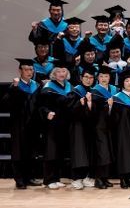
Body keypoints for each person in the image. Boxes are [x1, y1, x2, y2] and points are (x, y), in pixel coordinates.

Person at [5, 59, 42, 189]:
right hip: (18, 124)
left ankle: (29, 177)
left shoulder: (37, 86)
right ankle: (19, 179)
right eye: (26, 69)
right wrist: (15, 88)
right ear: (20, 70)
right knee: (18, 152)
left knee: (31, 152)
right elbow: (7, 103)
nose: (29, 72)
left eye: (31, 69)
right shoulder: (15, 86)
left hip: (33, 124)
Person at [37, 61, 73, 189]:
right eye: (58, 71)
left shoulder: (69, 86)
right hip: (52, 124)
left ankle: (56, 178)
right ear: (54, 73)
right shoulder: (48, 88)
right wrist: (47, 112)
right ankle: (48, 179)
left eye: (63, 71)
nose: (61, 74)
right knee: (51, 152)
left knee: (60, 152)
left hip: (64, 124)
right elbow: (40, 105)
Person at [68, 66, 97, 190]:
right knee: (78, 152)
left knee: (88, 152)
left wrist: (89, 104)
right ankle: (76, 178)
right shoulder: (75, 91)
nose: (89, 80)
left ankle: (86, 177)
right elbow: (69, 110)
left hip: (89, 126)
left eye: (91, 77)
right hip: (77, 126)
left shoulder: (93, 92)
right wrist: (79, 104)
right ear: (81, 78)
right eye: (86, 77)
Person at [111, 69, 130, 188]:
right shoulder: (117, 98)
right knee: (124, 153)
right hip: (122, 131)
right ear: (122, 83)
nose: (129, 83)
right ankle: (123, 178)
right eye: (127, 81)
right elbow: (113, 118)